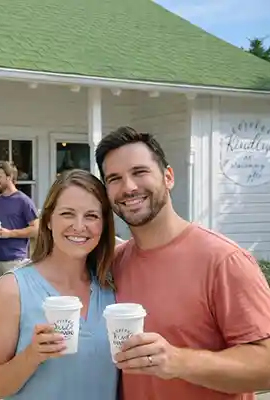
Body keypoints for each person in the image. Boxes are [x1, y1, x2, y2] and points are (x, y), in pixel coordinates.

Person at [95, 126, 270, 400]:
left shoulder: (224, 261)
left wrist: (178, 361)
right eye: (114, 178)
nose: (128, 187)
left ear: (168, 177)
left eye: (139, 172)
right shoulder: (113, 264)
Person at [0, 169, 118, 400]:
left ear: (104, 225)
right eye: (67, 214)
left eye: (92, 216)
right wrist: (31, 356)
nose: (79, 226)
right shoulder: (12, 290)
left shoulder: (110, 288)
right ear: (49, 220)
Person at [0, 162, 39, 277]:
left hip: (15, 261)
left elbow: (36, 229)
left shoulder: (24, 201)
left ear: (9, 177)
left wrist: (9, 233)